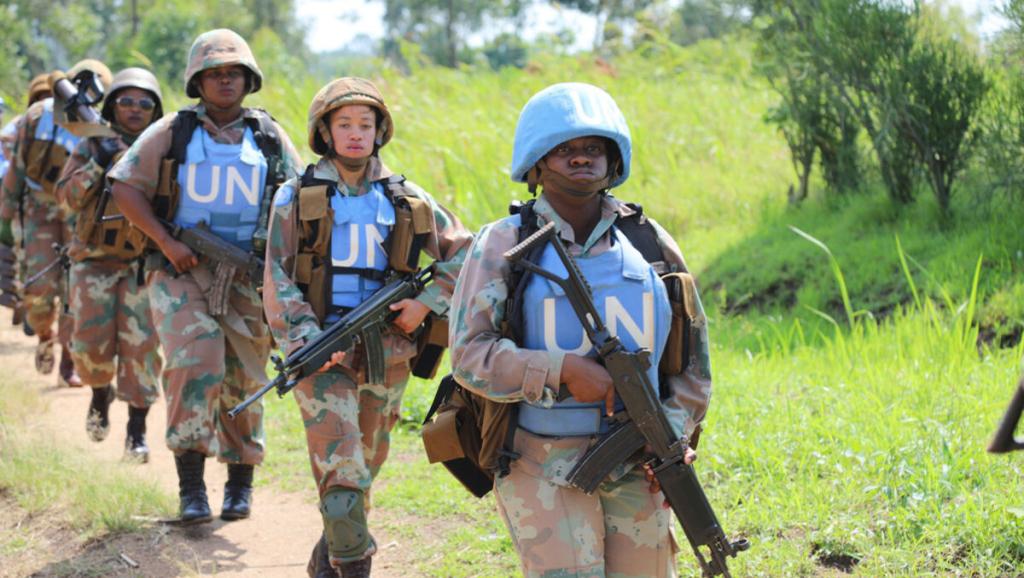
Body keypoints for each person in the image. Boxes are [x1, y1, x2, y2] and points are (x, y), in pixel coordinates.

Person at [448, 82, 713, 577]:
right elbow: (469, 356)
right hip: (540, 461)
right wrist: (561, 370)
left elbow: (693, 365)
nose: (580, 159)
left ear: (613, 160)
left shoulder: (647, 242)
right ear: (537, 163)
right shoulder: (505, 244)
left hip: (639, 459)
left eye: (593, 147)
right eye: (564, 149)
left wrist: (671, 435)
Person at [262, 77, 472, 578]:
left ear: (380, 131)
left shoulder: (407, 197)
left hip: (389, 352)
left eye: (365, 124)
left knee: (366, 466)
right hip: (321, 353)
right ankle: (353, 565)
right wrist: (308, 341)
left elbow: (466, 254)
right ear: (324, 132)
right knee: (343, 474)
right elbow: (276, 276)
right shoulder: (295, 196)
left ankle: (330, 552)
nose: (355, 134)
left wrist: (424, 303)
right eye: (344, 125)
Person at [108, 29, 303, 524]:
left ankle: (240, 483)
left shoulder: (268, 135)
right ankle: (191, 487)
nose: (223, 81)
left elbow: (300, 199)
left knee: (244, 377)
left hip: (248, 277)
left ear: (247, 79)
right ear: (197, 80)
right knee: (196, 360)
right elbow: (125, 187)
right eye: (213, 73)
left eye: (232, 72)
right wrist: (166, 241)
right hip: (183, 268)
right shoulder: (173, 130)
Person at [55, 67, 166, 462]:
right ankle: (100, 395)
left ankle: (136, 432)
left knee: (143, 351)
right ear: (111, 105)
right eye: (126, 101)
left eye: (144, 103)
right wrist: (99, 164)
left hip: (141, 264)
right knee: (89, 347)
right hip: (93, 262)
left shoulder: (163, 147)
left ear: (155, 109)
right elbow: (65, 197)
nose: (135, 109)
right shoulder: (91, 145)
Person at [1, 61, 112, 388]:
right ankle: (44, 335)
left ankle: (68, 362)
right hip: (39, 208)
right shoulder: (36, 117)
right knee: (38, 287)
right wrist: (6, 215)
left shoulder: (98, 126)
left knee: (74, 288)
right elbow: (17, 167)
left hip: (78, 212)